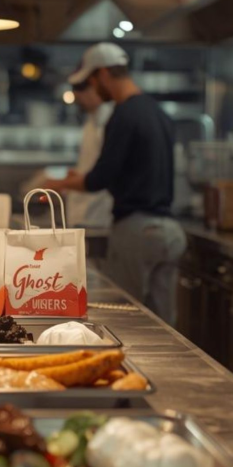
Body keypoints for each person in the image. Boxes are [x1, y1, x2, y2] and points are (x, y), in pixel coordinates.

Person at [45, 42, 186, 325]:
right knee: (163, 327)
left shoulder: (123, 115)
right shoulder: (158, 112)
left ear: (104, 74)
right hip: (170, 232)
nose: (94, 88)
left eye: (92, 81)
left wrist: (65, 183)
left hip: (137, 232)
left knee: (127, 321)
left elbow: (100, 178)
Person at [65, 78, 114, 228]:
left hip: (97, 213)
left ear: (94, 89)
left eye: (81, 95)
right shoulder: (91, 119)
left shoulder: (109, 119)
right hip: (83, 210)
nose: (79, 101)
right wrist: (76, 176)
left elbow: (104, 173)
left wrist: (61, 183)